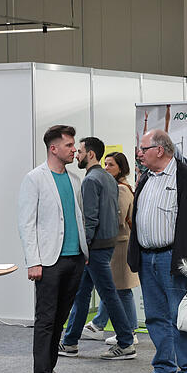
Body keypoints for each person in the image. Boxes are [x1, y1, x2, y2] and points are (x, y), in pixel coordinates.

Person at [128, 129, 187, 373]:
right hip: (147, 257)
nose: (139, 153)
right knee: (155, 316)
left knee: (181, 316)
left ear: (160, 150)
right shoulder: (145, 178)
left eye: (143, 149)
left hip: (174, 257)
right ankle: (164, 370)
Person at [17, 125, 88, 373]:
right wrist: (33, 261)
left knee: (60, 319)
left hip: (75, 259)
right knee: (46, 320)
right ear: (53, 148)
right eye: (69, 145)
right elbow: (26, 223)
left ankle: (51, 371)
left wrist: (85, 252)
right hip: (47, 262)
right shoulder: (34, 179)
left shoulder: (74, 180)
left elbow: (77, 217)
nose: (74, 150)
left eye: (74, 145)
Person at [58, 137, 136, 361]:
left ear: (91, 154)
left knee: (109, 295)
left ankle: (126, 343)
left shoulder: (91, 180)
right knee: (82, 294)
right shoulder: (108, 179)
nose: (77, 154)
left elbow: (90, 219)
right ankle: (70, 342)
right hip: (105, 245)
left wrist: (84, 248)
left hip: (94, 249)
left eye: (80, 151)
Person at [89, 152, 140, 346]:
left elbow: (117, 218)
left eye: (110, 165)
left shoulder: (121, 189)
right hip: (117, 244)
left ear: (121, 168)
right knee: (112, 287)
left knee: (122, 289)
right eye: (105, 164)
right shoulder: (117, 187)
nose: (106, 168)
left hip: (120, 245)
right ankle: (99, 324)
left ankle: (130, 330)